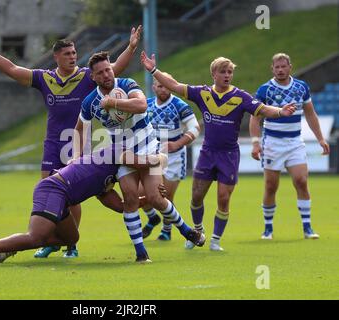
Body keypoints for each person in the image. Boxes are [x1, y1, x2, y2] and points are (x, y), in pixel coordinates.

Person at [0, 26, 142, 258]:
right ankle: (51, 241)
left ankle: (71, 245)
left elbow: (115, 68)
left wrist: (131, 47)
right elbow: (12, 69)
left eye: (74, 53)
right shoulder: (44, 78)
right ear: (56, 57)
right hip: (52, 143)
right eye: (68, 54)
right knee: (50, 194)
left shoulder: (86, 77)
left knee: (72, 196)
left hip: (77, 143)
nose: (73, 57)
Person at [140, 51, 296, 251]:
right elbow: (175, 86)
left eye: (230, 72)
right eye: (223, 71)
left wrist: (281, 112)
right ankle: (197, 231)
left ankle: (215, 240)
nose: (227, 75)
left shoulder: (240, 97)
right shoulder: (203, 93)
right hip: (207, 153)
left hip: (229, 154)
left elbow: (264, 109)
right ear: (214, 73)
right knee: (196, 196)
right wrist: (153, 69)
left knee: (223, 197)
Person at [73, 51, 204, 262]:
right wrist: (78, 156)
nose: (106, 74)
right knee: (130, 198)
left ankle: (185, 229)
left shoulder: (126, 84)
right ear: (93, 77)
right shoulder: (89, 102)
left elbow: (141, 105)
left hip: (148, 147)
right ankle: (141, 253)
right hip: (123, 154)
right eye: (101, 72)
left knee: (155, 198)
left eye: (108, 69)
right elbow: (80, 128)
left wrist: (113, 104)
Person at [0, 146, 183, 266]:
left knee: (71, 238)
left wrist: (150, 199)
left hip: (62, 197)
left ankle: (10, 247)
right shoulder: (115, 153)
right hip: (54, 188)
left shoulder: (108, 182)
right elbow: (145, 162)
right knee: (36, 237)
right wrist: (163, 158)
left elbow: (122, 206)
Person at [249, 53, 330, 240]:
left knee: (301, 181)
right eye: (276, 67)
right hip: (272, 143)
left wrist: (321, 139)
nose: (280, 70)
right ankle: (268, 229)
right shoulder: (265, 90)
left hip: (295, 142)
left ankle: (307, 227)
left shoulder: (301, 87)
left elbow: (310, 114)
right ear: (272, 68)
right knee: (271, 186)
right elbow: (255, 118)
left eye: (283, 66)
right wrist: (255, 143)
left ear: (290, 67)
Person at [141, 75, 200, 241]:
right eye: (159, 86)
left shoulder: (180, 106)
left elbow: (195, 128)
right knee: (142, 194)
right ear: (154, 87)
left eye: (166, 86)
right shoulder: (147, 104)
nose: (163, 89)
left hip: (174, 158)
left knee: (164, 196)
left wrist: (178, 143)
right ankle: (153, 217)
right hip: (152, 156)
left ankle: (167, 229)